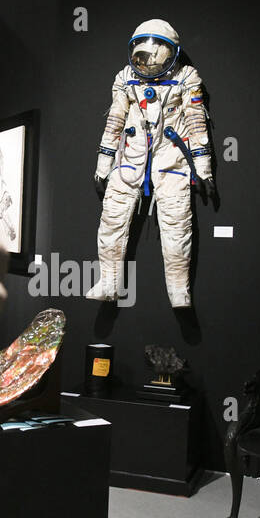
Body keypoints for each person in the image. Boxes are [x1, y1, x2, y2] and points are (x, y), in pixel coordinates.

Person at [86, 19, 215, 308]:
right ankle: (108, 282)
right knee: (111, 220)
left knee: (176, 225)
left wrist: (203, 168)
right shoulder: (124, 78)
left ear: (172, 52)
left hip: (171, 159)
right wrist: (103, 163)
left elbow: (196, 123)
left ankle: (179, 291)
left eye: (158, 49)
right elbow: (115, 121)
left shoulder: (186, 78)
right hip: (130, 157)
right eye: (144, 49)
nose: (150, 56)